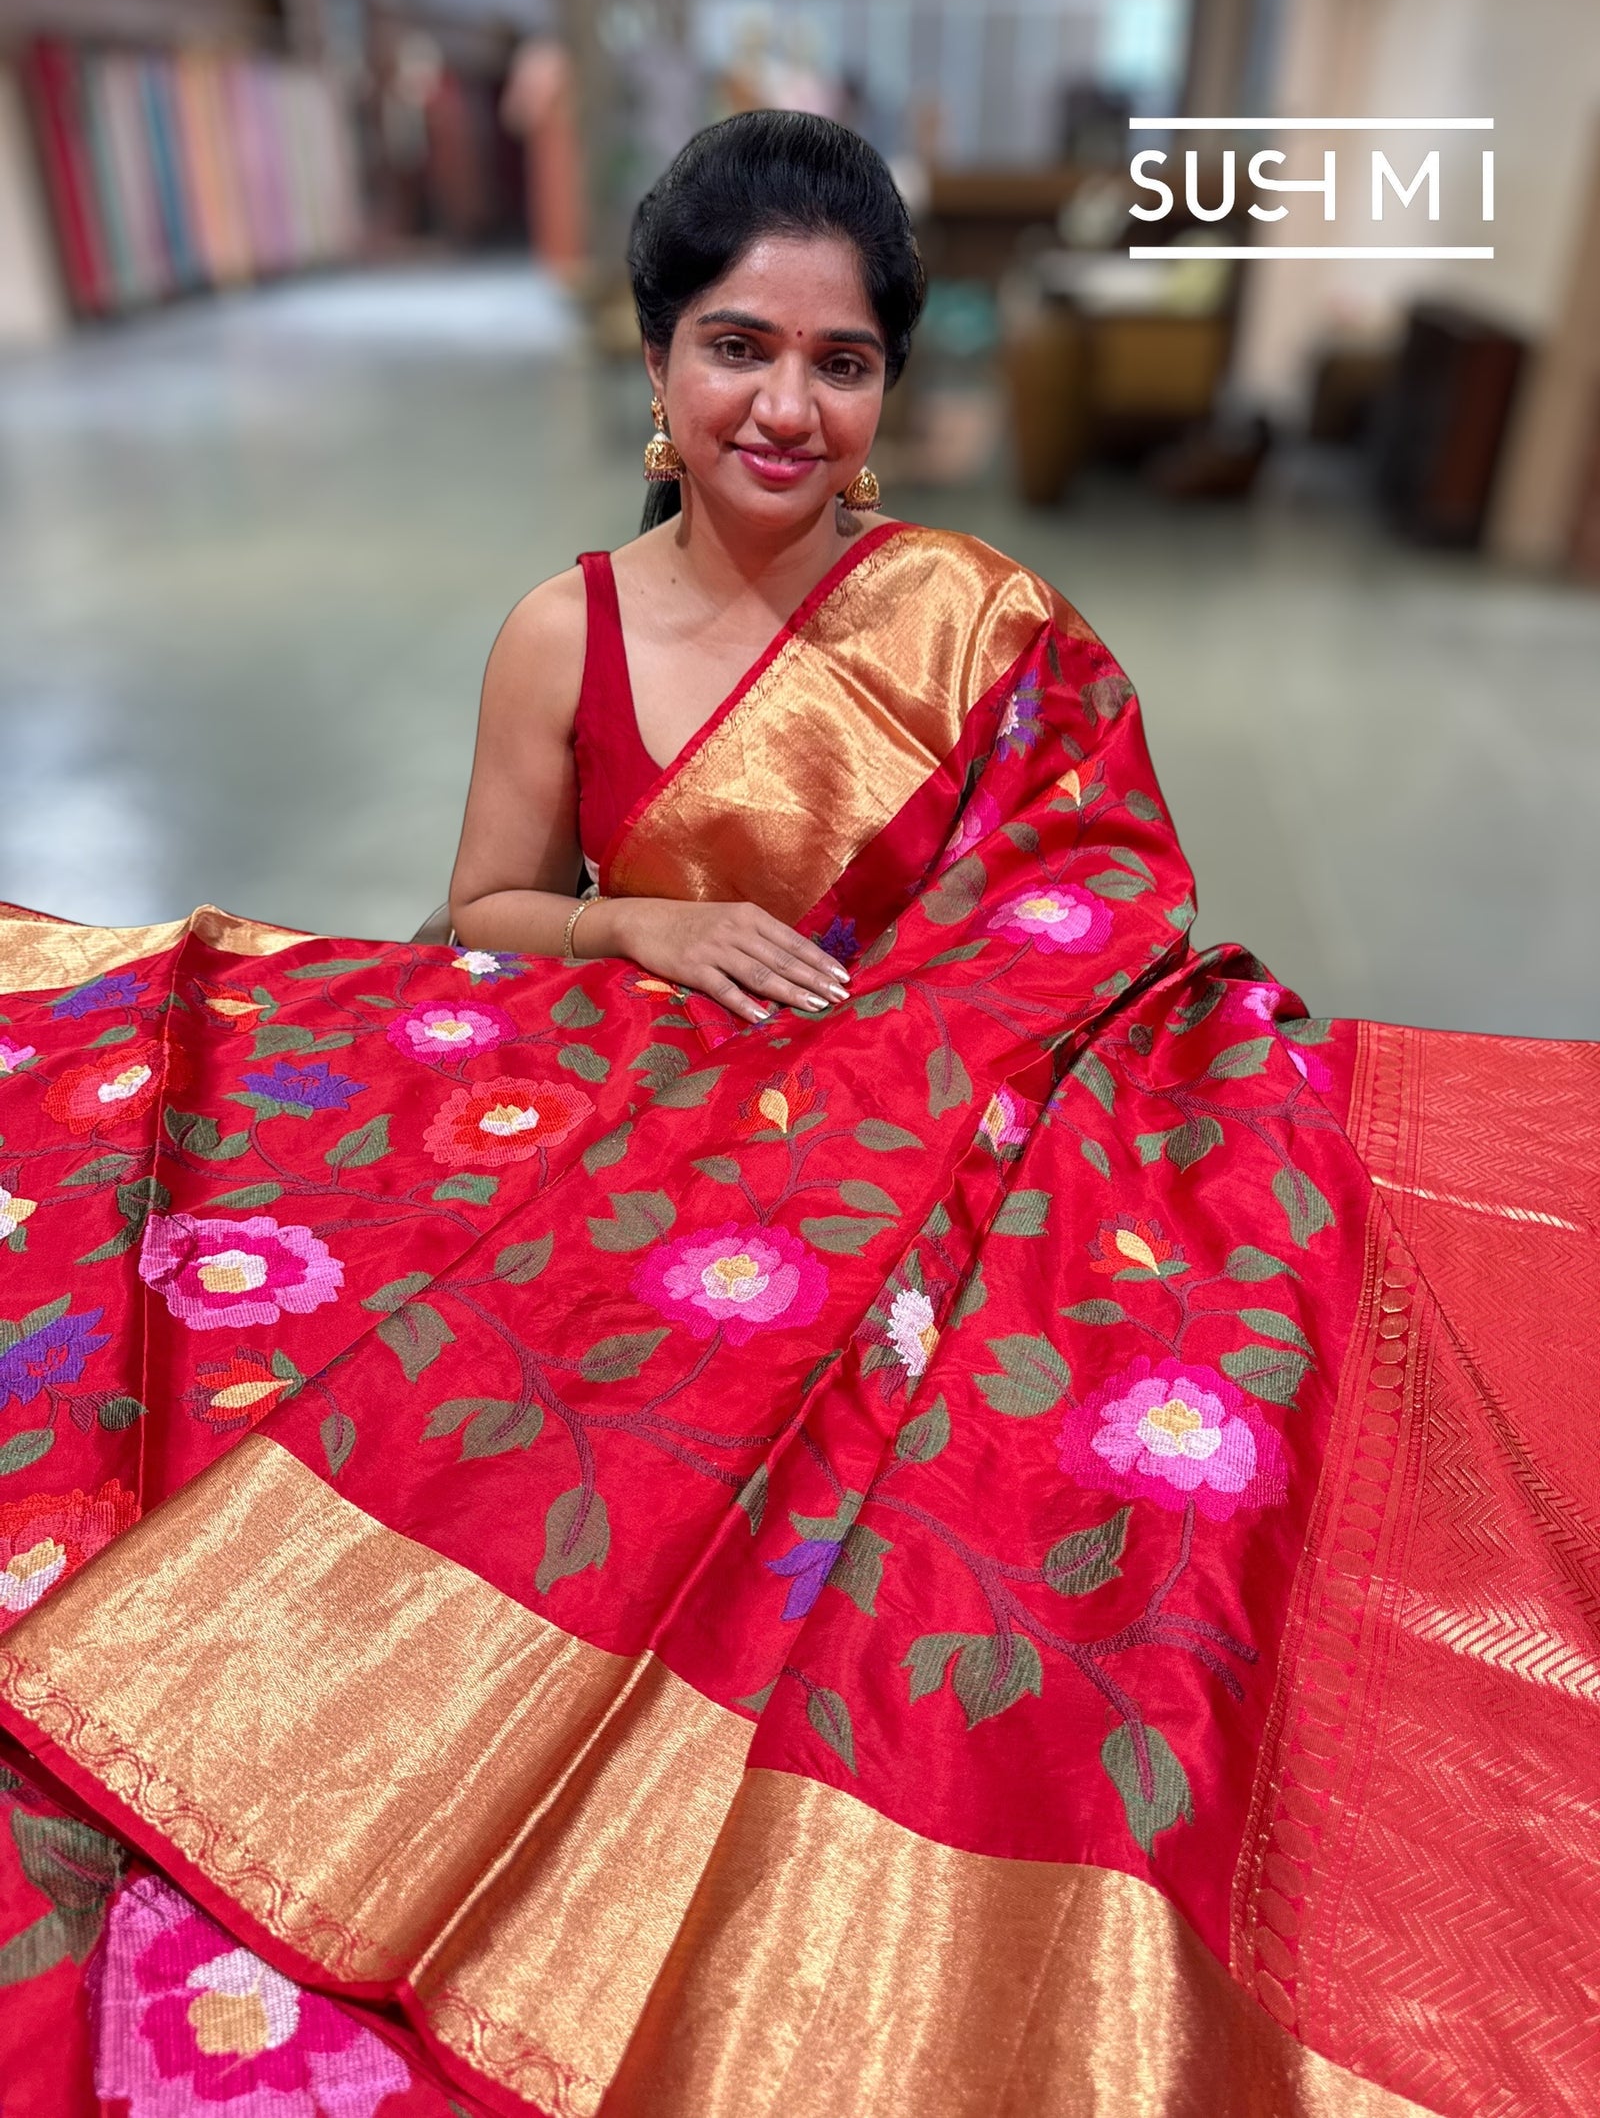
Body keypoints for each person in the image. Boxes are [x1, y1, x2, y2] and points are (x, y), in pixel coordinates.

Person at [0, 112, 1593, 2118]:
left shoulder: (974, 619)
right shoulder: (562, 630)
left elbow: (1090, 886)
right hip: (650, 1074)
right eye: (738, 345)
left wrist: (912, 1061)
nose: (787, 402)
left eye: (840, 363)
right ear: (654, 365)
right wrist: (653, 928)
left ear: (884, 394)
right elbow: (490, 903)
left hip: (925, 1098)